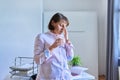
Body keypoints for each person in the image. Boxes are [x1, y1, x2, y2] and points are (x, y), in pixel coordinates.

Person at [34, 12, 74, 80]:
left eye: (65, 26)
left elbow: (70, 57)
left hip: (65, 77)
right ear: (53, 23)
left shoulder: (63, 39)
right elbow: (37, 60)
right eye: (61, 25)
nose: (63, 29)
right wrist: (52, 47)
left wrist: (67, 40)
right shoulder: (42, 37)